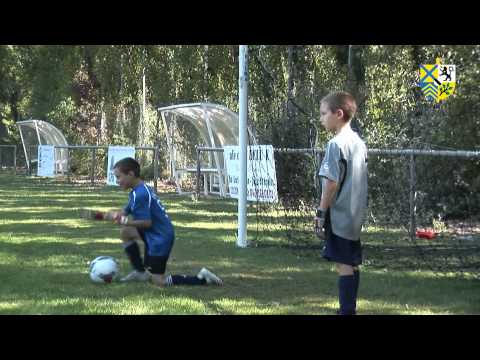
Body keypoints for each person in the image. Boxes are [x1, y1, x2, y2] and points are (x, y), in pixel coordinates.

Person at [98, 157, 223, 287]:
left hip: (160, 238)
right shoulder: (138, 190)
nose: (117, 181)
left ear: (131, 174)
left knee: (159, 282)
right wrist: (111, 215)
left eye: (119, 177)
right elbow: (126, 210)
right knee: (126, 232)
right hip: (153, 233)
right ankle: (140, 272)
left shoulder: (141, 194)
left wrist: (125, 221)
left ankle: (202, 278)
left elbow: (147, 223)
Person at [314, 91, 368, 315]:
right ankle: (349, 309)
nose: (321, 118)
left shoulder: (336, 144)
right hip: (356, 214)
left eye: (324, 113)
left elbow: (331, 184)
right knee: (352, 262)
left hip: (340, 215)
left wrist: (320, 212)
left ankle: (347, 310)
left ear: (339, 114)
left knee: (342, 263)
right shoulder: (359, 142)